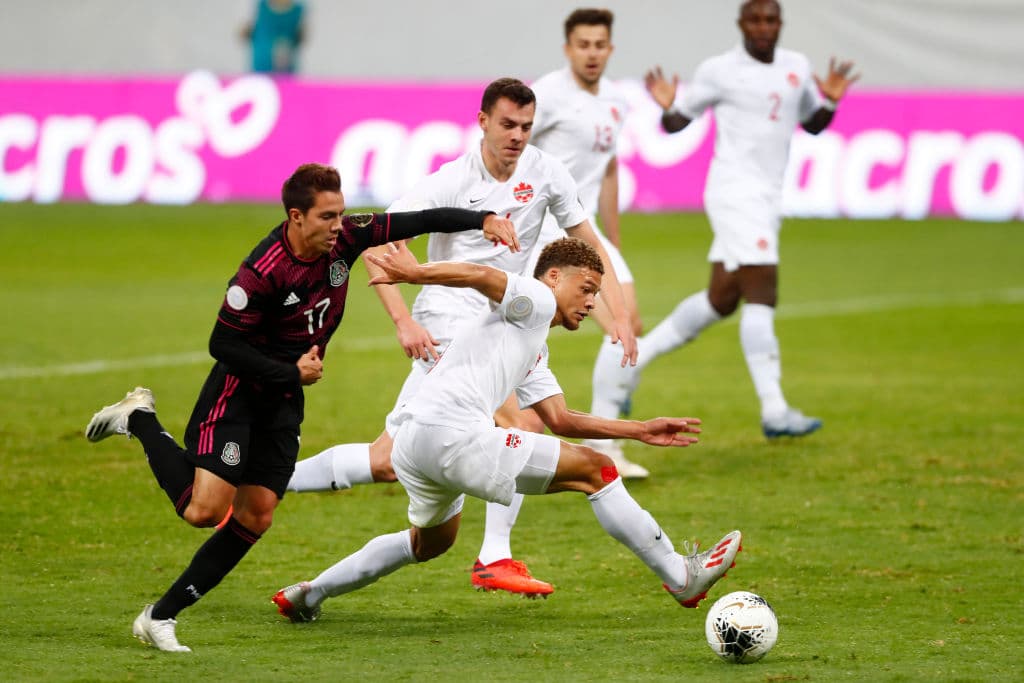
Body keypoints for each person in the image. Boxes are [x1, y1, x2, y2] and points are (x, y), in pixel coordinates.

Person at [83, 163, 517, 653]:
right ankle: (140, 418)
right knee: (205, 511)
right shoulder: (262, 271)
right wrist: (290, 372)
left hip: (285, 401)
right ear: (296, 217)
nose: (340, 224)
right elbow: (222, 342)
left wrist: (480, 219)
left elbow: (418, 220)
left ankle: (160, 617)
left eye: (341, 213)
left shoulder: (347, 239)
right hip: (239, 395)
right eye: (328, 216)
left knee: (257, 515)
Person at [284, 78, 638, 599]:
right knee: (519, 419)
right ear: (483, 122)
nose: (517, 135)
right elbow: (377, 243)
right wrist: (404, 321)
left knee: (387, 459)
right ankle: (494, 556)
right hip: (450, 321)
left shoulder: (546, 172)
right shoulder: (450, 182)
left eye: (526, 126)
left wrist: (620, 309)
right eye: (507, 125)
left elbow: (587, 239)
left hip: (502, 321)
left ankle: (268, 479)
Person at [272, 237, 742, 623]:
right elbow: (483, 276)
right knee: (596, 471)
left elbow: (561, 419)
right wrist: (416, 275)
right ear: (554, 278)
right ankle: (680, 576)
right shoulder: (535, 299)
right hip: (454, 435)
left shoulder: (532, 342)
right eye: (587, 288)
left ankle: (309, 595)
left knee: (430, 542)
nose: (592, 301)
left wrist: (639, 429)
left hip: (416, 443)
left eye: (597, 292)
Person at [602, 0, 859, 437]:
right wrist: (667, 107)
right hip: (734, 194)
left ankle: (635, 362)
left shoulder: (796, 66)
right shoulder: (720, 70)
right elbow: (677, 122)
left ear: (780, 24)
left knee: (721, 299)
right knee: (763, 289)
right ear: (741, 24)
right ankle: (774, 409)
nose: (763, 27)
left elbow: (813, 123)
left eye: (771, 19)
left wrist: (831, 99)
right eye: (755, 19)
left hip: (766, 197)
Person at [528, 8, 649, 478]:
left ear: (610, 48)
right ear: (568, 48)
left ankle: (601, 438)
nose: (592, 53)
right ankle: (594, 441)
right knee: (611, 327)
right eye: (583, 44)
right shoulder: (548, 95)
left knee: (629, 321)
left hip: (587, 228)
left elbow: (610, 169)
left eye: (600, 45)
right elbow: (512, 149)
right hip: (547, 232)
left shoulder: (617, 101)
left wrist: (613, 243)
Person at [241, 0, 306, 74]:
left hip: (286, 69)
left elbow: (300, 38)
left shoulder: (298, 10)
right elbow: (244, 34)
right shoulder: (259, 6)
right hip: (260, 66)